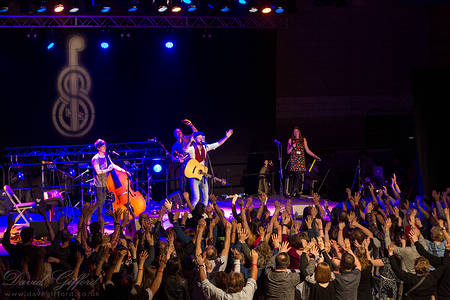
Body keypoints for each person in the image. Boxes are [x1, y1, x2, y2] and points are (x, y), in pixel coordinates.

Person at [183, 129, 233, 207]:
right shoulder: (192, 148)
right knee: (196, 198)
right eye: (198, 138)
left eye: (201, 138)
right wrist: (189, 141)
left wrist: (226, 137)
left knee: (206, 197)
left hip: (202, 175)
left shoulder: (205, 147)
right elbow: (184, 150)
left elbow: (217, 144)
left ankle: (203, 213)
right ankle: (191, 214)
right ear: (195, 139)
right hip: (193, 175)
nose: (201, 139)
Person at [91, 139, 128, 218]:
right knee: (99, 202)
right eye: (103, 146)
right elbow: (98, 171)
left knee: (101, 202)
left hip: (105, 183)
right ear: (98, 148)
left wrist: (124, 171)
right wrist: (108, 169)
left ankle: (99, 219)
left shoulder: (106, 156)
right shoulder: (95, 159)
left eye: (105, 146)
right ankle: (89, 216)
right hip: (98, 183)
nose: (105, 148)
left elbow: (113, 165)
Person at [286, 126, 321, 197]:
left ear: (299, 132)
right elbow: (287, 152)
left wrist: (315, 156)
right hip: (294, 161)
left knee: (297, 176)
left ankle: (296, 193)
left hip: (301, 161)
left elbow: (307, 150)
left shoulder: (303, 139)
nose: (296, 133)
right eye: (294, 131)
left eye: (297, 131)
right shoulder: (290, 140)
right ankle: (294, 193)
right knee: (297, 176)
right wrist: (292, 146)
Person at [171, 119, 198, 193]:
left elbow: (196, 133)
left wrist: (191, 125)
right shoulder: (175, 145)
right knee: (184, 183)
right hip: (183, 166)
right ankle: (185, 201)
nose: (179, 132)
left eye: (180, 131)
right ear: (174, 135)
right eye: (177, 132)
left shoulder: (186, 138)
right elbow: (172, 157)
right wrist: (178, 160)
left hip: (193, 163)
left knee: (194, 182)